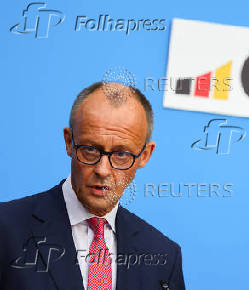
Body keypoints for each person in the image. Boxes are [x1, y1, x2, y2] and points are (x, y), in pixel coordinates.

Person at [0, 82, 185, 290]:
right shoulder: (6, 228)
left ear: (144, 156)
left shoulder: (164, 257)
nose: (103, 170)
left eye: (121, 154)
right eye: (90, 149)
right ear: (69, 142)